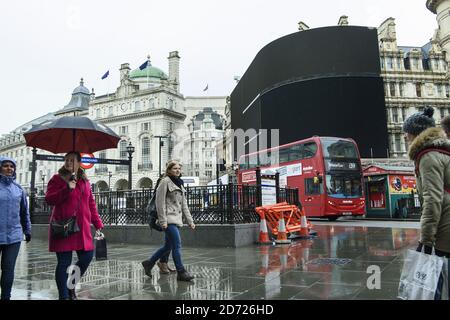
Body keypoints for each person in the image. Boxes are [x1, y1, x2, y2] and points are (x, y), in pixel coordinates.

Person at [45, 152, 104, 300]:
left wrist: (97, 223)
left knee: (87, 257)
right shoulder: (57, 179)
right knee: (64, 263)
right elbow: (49, 199)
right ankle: (63, 296)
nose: (68, 162)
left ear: (79, 163)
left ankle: (70, 286)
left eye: (72, 160)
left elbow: (91, 204)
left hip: (82, 227)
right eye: (66, 159)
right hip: (64, 226)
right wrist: (67, 188)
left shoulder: (85, 181)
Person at [141, 160, 195, 281]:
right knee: (177, 245)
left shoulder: (179, 183)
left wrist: (190, 221)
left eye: (179, 169)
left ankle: (149, 263)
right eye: (175, 168)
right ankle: (181, 272)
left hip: (177, 219)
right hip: (168, 219)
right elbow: (159, 203)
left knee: (167, 247)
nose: (177, 170)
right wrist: (163, 221)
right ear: (169, 170)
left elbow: (184, 204)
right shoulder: (165, 182)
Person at [0, 157, 31, 300]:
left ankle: (6, 296)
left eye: (11, 166)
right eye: (5, 165)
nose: (9, 168)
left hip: (14, 236)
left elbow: (24, 212)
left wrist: (27, 230)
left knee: (8, 269)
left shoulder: (19, 189)